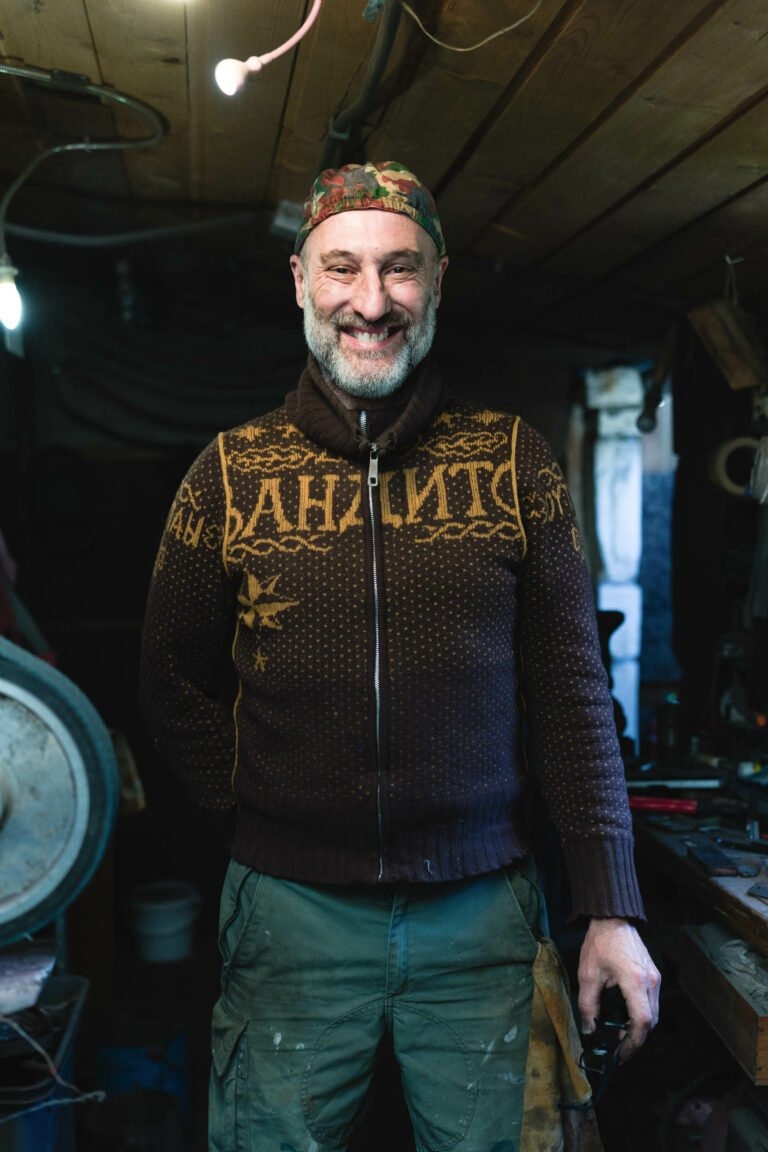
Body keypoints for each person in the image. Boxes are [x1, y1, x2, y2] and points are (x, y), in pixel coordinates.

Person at [139, 160, 660, 1152]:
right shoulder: (230, 473)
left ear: (439, 277)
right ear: (300, 280)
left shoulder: (516, 462)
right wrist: (266, 815)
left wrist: (611, 908)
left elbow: (571, 692)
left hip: (483, 916)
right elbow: (168, 682)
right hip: (290, 918)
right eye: (343, 268)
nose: (370, 302)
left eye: (400, 269)